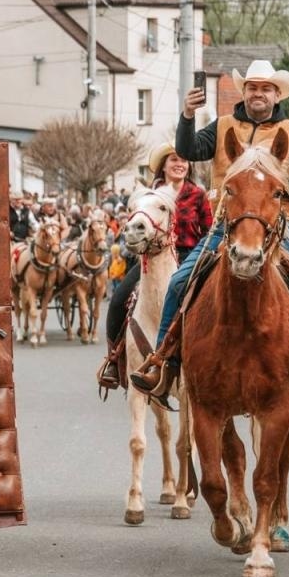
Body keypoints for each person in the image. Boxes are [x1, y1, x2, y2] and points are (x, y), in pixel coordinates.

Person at [129, 59, 289, 407]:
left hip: (282, 227)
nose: (259, 93)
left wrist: (267, 184)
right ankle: (162, 362)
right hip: (225, 226)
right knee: (180, 282)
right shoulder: (223, 125)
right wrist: (186, 115)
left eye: (265, 88)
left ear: (275, 94)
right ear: (244, 92)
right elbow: (189, 150)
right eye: (253, 87)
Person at [97, 143, 210, 391]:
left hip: (191, 256)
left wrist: (202, 255)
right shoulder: (149, 195)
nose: (179, 164)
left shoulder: (197, 194)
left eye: (183, 160)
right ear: (164, 166)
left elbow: (209, 230)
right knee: (118, 299)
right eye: (173, 160)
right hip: (154, 256)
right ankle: (114, 361)